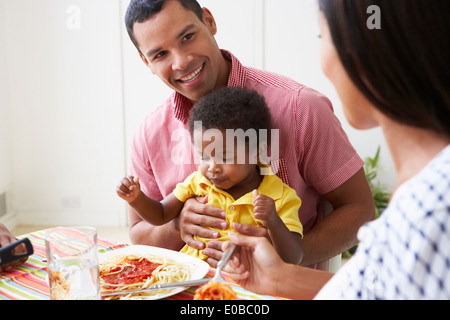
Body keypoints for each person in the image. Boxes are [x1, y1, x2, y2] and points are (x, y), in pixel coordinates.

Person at [124, 0, 375, 268]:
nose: (181, 62)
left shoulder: (300, 109)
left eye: (187, 37)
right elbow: (138, 232)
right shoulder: (148, 135)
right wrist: (175, 227)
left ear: (209, 21)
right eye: (160, 54)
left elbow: (360, 211)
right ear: (146, 62)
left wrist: (275, 261)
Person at [227, 0, 450, 299]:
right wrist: (278, 279)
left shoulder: (429, 214)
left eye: (323, 36)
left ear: (364, 52)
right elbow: (379, 289)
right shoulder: (425, 203)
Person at [117, 87, 303, 263]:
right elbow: (161, 214)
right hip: (192, 278)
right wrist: (136, 198)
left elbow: (293, 258)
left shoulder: (280, 196)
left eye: (225, 156)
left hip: (247, 286)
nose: (213, 167)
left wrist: (273, 221)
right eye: (205, 156)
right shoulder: (198, 181)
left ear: (257, 151)